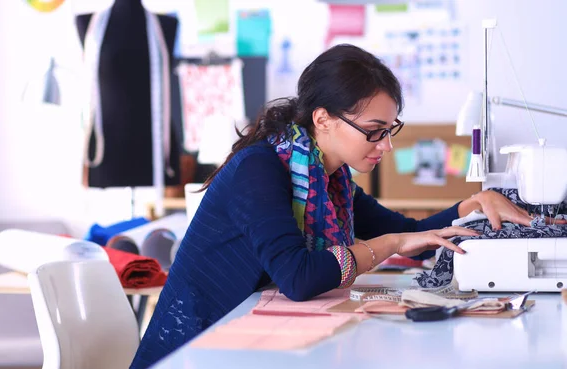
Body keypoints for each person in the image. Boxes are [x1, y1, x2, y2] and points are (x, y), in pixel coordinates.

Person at [129, 44, 535, 369]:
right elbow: (299, 278)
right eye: (374, 132)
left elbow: (412, 233)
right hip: (195, 349)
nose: (387, 146)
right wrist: (390, 244)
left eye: (390, 131)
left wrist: (471, 206)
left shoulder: (331, 181)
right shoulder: (259, 169)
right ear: (323, 119)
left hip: (248, 341)